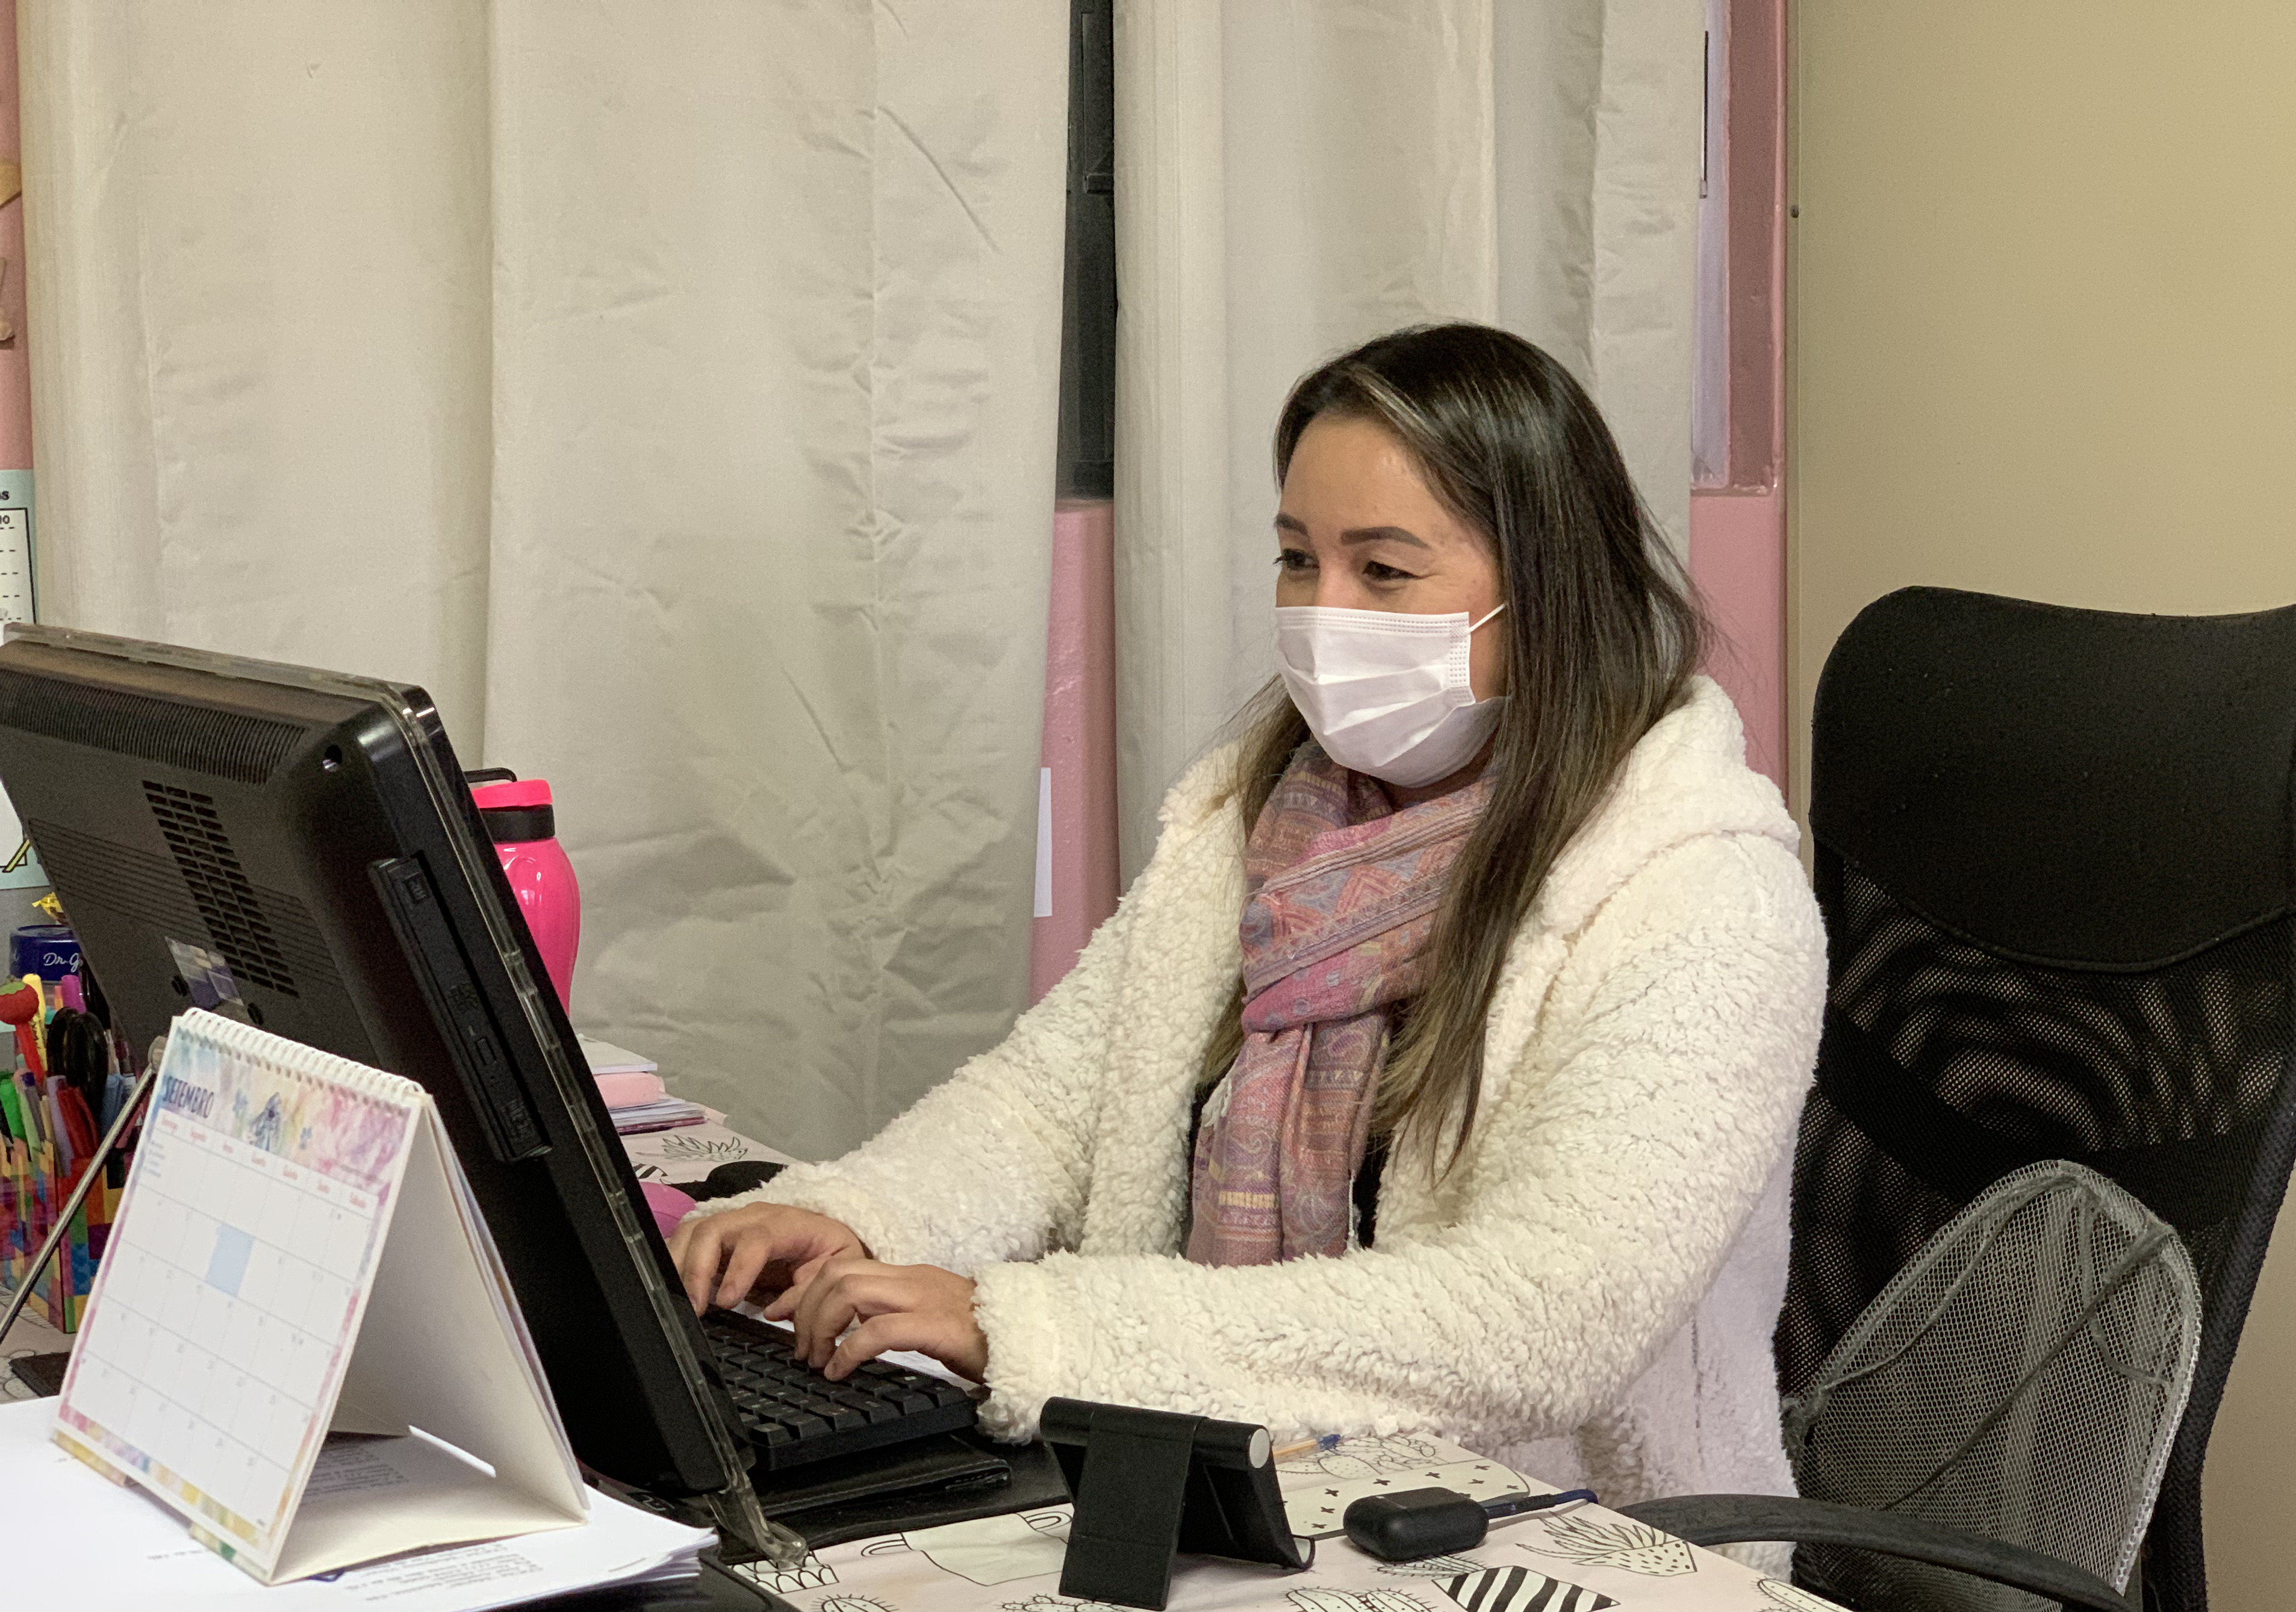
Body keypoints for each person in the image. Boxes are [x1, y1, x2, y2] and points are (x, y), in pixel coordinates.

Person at [671, 322, 1825, 1509]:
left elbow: (1537, 1320)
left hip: (1576, 1558)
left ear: (1543, 595)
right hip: (1261, 1491)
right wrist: (854, 1215)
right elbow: (1056, 1100)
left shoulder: (1702, 893)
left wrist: (1030, 1325)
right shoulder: (1262, 820)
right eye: (1296, 559)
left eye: (1382, 571)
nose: (1323, 615)